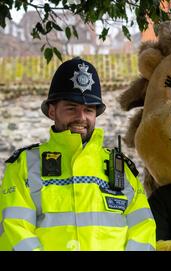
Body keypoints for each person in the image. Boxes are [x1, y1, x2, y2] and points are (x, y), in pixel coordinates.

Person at [0, 57, 156, 251]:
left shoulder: (121, 169)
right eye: (71, 108)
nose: (81, 117)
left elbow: (143, 228)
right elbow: (14, 230)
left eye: (88, 110)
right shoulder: (24, 166)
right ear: (52, 111)